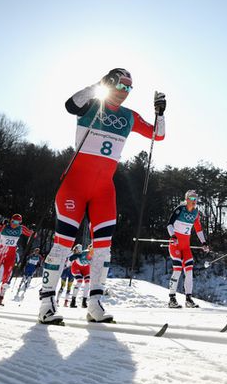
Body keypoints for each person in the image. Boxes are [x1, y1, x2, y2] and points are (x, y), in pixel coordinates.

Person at [38, 68, 166, 324]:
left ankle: (95, 304)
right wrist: (98, 84)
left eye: (129, 89)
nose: (123, 92)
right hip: (74, 185)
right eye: (119, 86)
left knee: (103, 249)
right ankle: (46, 303)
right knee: (63, 244)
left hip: (104, 190)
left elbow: (157, 135)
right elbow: (70, 105)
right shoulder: (92, 104)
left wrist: (160, 114)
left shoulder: (129, 116)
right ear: (110, 83)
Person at [166, 189, 209, 308]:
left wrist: (204, 242)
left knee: (189, 271)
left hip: (186, 247)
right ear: (187, 199)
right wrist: (173, 235)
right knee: (178, 270)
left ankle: (188, 299)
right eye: (192, 198)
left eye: (196, 198)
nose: (194, 201)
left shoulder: (196, 212)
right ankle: (172, 299)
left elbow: (198, 229)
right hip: (175, 245)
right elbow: (169, 224)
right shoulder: (180, 209)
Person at [0, 214, 33, 306]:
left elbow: (32, 234)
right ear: (11, 220)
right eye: (13, 221)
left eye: (18, 222)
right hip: (0, 252)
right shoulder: (5, 226)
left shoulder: (21, 228)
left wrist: (33, 229)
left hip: (11, 254)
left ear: (20, 222)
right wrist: (0, 224)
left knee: (7, 276)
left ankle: (0, 298)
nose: (15, 224)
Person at [68, 243, 93, 308]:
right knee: (79, 281)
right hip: (76, 267)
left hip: (86, 268)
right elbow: (70, 259)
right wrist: (69, 262)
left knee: (87, 283)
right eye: (91, 249)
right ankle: (73, 301)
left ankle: (84, 302)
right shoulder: (83, 253)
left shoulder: (95, 254)